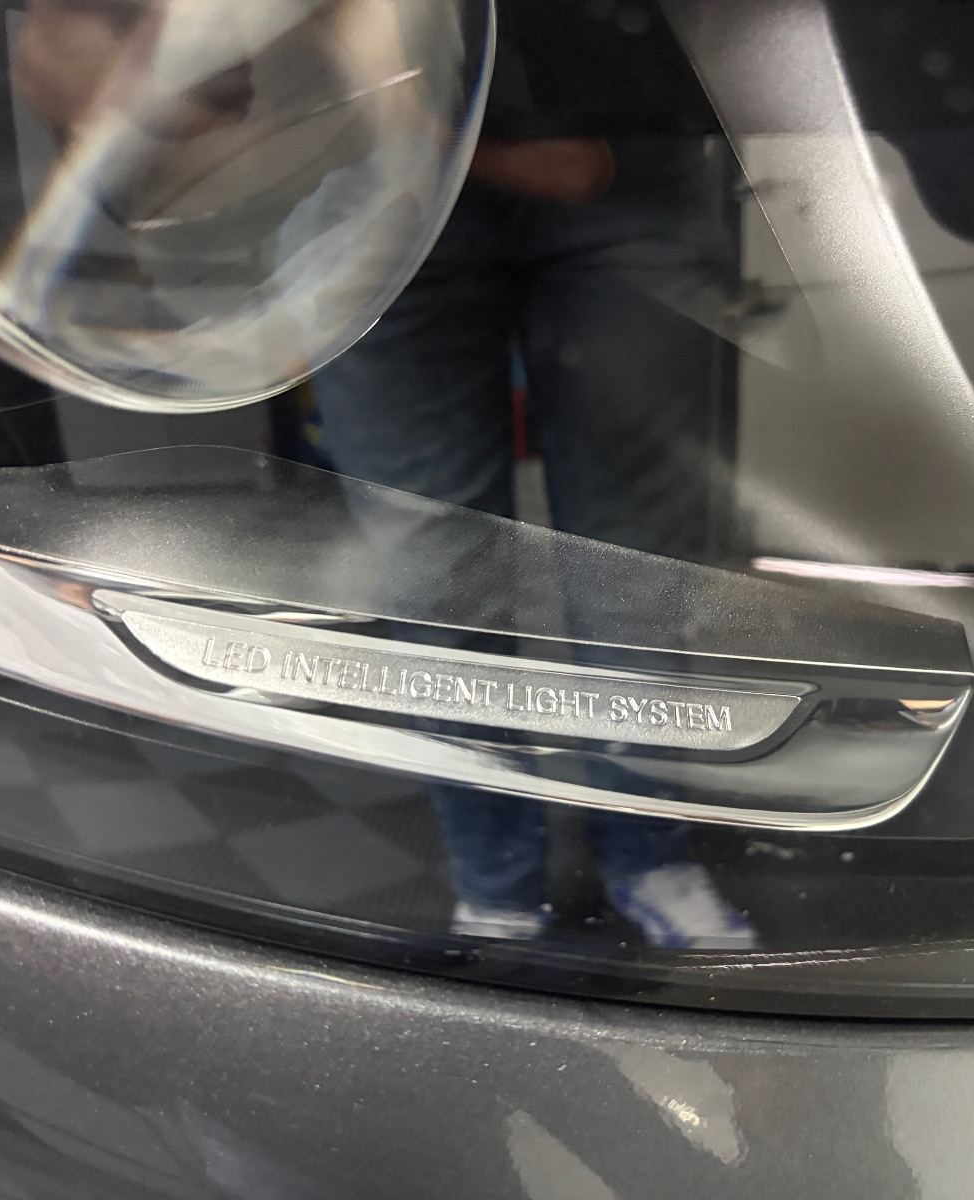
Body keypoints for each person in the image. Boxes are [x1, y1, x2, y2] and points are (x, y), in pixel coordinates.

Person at [308, 1, 756, 947]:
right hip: (378, 173)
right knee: (436, 570)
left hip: (620, 144)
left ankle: (637, 856)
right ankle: (503, 884)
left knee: (634, 559)